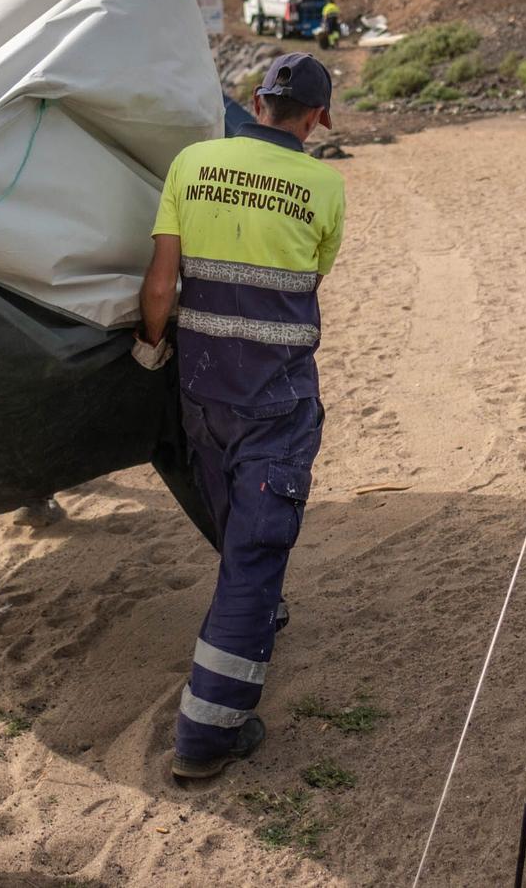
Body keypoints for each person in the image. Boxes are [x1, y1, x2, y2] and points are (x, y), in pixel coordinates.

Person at [134, 52, 346, 782]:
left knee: (236, 533)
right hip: (276, 400)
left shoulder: (192, 164)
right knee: (255, 555)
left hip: (202, 394)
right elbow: (306, 280)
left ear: (255, 102)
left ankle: (256, 612)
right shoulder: (325, 185)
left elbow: (161, 284)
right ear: (317, 117)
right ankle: (206, 733)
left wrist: (149, 346)